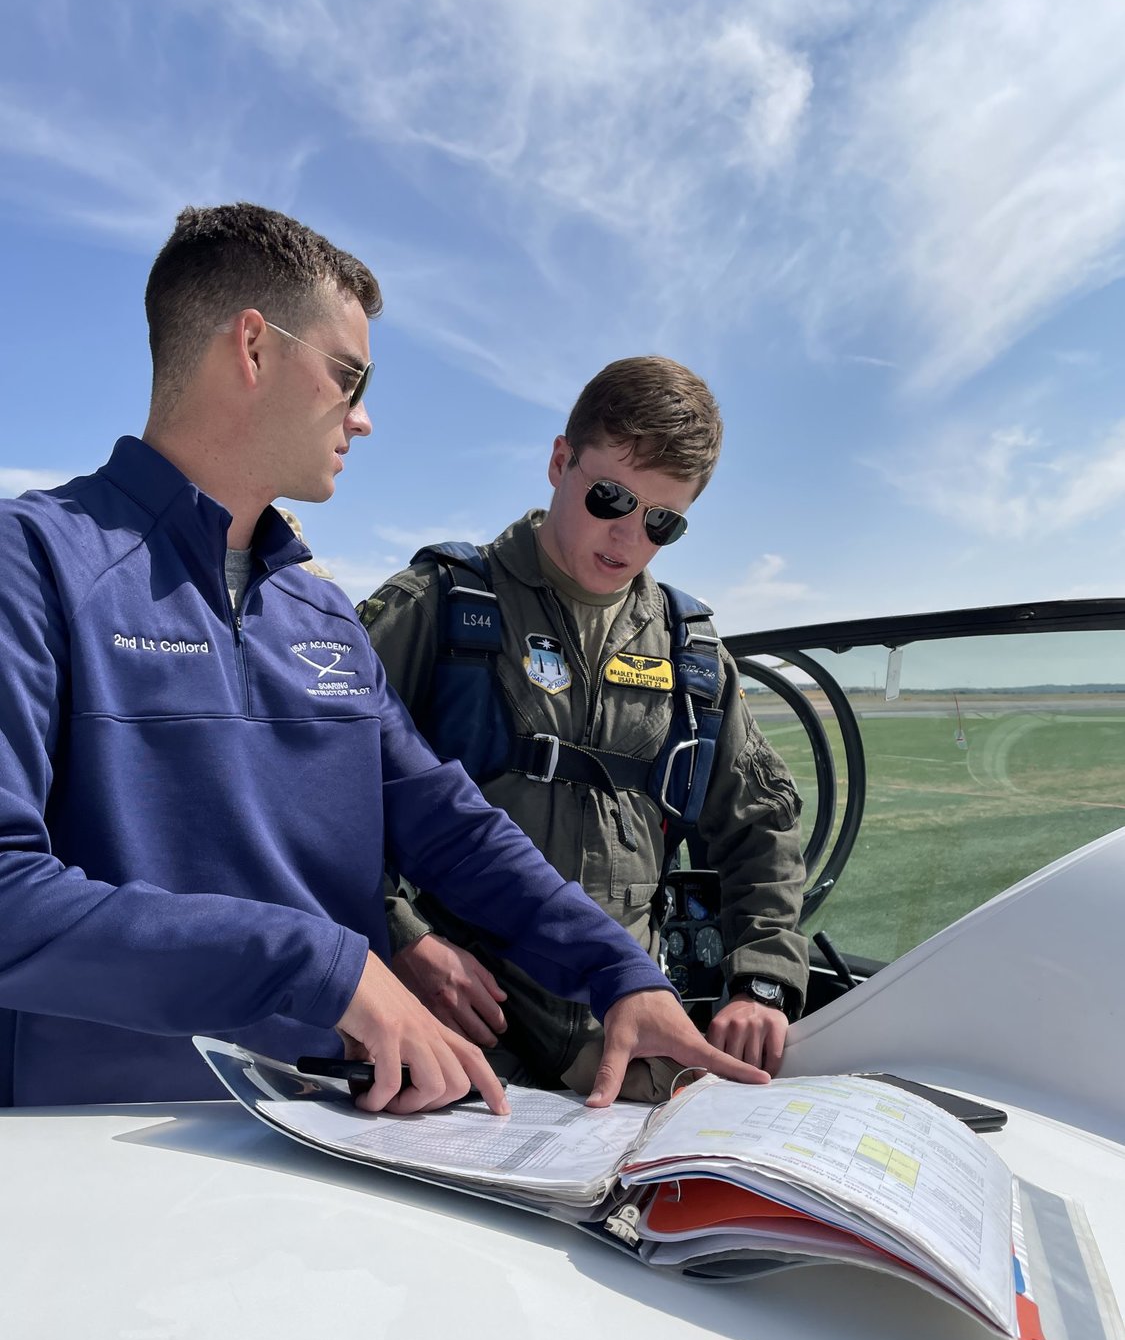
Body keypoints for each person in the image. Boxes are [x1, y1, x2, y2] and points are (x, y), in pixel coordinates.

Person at [0, 204, 772, 1114]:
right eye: (348, 375)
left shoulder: (317, 610)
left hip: (346, 1126)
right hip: (111, 1141)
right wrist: (328, 969)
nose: (363, 419)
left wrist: (618, 972)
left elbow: (447, 826)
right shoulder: (34, 563)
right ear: (253, 348)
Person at [360, 357, 808, 1101]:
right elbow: (313, 793)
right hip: (457, 1012)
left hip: (625, 1019)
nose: (628, 536)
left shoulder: (688, 648)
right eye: (611, 498)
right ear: (559, 461)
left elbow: (759, 820)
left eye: (661, 522)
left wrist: (760, 980)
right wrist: (402, 939)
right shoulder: (436, 607)